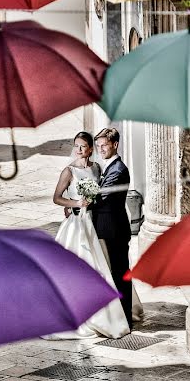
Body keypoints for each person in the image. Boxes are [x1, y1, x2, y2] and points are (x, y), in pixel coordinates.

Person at [43, 132, 130, 340]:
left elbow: (100, 193)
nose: (79, 150)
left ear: (90, 149)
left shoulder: (97, 168)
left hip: (93, 224)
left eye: (83, 146)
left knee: (99, 267)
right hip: (76, 225)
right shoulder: (69, 171)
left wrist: (89, 203)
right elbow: (57, 198)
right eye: (76, 146)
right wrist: (75, 204)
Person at [89, 128, 136, 329]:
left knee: (120, 273)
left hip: (114, 229)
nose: (100, 149)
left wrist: (78, 203)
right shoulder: (109, 166)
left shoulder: (118, 170)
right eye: (98, 146)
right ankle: (118, 315)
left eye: (104, 145)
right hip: (108, 228)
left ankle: (125, 317)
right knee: (114, 273)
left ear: (115, 144)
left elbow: (102, 198)